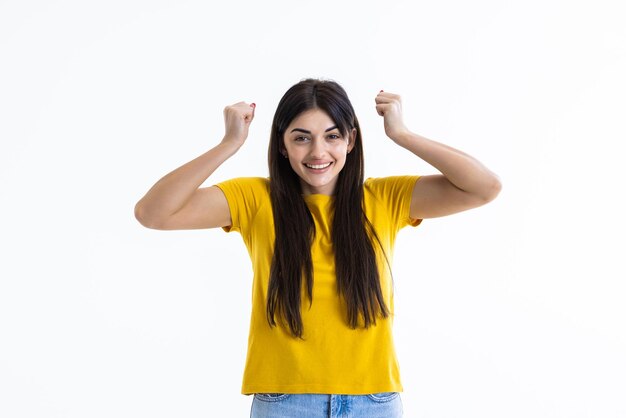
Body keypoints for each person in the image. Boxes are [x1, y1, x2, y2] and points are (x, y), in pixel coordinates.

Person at [134, 78, 501, 417]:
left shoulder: (385, 198)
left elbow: (485, 187)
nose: (318, 151)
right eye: (301, 137)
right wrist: (229, 144)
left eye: (332, 136)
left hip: (374, 401)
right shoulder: (255, 199)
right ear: (282, 144)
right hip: (285, 401)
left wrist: (402, 134)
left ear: (351, 141)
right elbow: (153, 213)